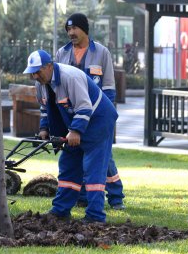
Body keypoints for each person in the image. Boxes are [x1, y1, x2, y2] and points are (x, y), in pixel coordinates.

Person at [24, 49, 118, 224]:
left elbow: (84, 107)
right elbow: (45, 108)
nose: (35, 76)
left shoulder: (70, 77)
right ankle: (60, 210)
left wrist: (75, 131)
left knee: (93, 169)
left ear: (49, 66)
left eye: (38, 71)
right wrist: (44, 128)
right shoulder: (41, 83)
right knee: (68, 165)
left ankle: (95, 216)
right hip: (77, 123)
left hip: (99, 120)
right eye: (32, 73)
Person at [55, 12, 126, 210]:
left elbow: (109, 87)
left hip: (98, 115)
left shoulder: (101, 52)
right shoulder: (62, 53)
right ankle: (84, 196)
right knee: (81, 155)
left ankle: (115, 196)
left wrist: (107, 116)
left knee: (104, 156)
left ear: (84, 29)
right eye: (68, 29)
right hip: (76, 117)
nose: (71, 33)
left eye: (74, 28)